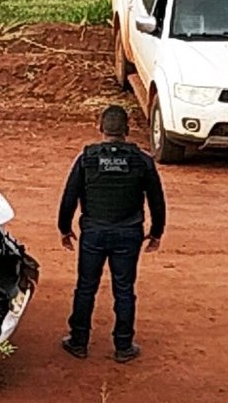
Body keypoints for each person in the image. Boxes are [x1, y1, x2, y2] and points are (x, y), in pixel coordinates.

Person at [57, 105, 166, 363]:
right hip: (128, 234)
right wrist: (156, 232)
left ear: (100, 128)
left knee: (86, 286)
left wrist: (64, 228)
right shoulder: (142, 160)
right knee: (124, 288)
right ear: (127, 131)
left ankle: (79, 341)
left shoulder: (87, 158)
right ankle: (123, 345)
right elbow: (157, 200)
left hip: (93, 233)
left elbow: (69, 196)